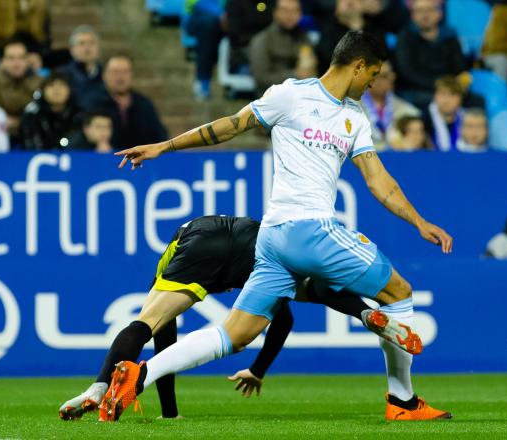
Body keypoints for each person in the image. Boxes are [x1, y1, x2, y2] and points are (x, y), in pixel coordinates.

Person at [107, 30, 453, 422]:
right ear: (358, 66)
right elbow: (231, 125)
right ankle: (403, 402)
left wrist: (417, 220)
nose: (373, 83)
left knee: (234, 335)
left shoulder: (354, 117)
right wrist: (165, 146)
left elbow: (378, 180)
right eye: (373, 74)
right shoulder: (290, 94)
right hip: (310, 229)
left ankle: (141, 374)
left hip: (271, 240)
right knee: (400, 291)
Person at [58, 215, 422, 421]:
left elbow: (162, 337)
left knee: (149, 322)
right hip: (257, 242)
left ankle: (98, 387)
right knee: (308, 286)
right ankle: (362, 311)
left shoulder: (176, 248)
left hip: (198, 237)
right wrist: (259, 369)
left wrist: (170, 413)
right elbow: (284, 322)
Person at [81, 54, 168, 148]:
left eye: (125, 72)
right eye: (115, 72)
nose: (120, 77)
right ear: (104, 75)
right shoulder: (92, 103)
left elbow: (160, 137)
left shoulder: (144, 104)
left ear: (132, 75)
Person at [394, 0, 465, 110]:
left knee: (474, 99)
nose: (425, 15)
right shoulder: (405, 38)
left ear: (439, 14)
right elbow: (407, 72)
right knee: (432, 101)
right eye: (419, 11)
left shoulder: (450, 37)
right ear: (412, 15)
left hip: (447, 87)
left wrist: (449, 86)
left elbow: (459, 67)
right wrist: (438, 85)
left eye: (429, 10)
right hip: (416, 90)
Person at [249, 0, 317, 95]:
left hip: (301, 96)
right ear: (275, 12)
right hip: (270, 97)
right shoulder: (262, 40)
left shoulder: (303, 38)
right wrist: (295, 75)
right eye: (285, 11)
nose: (290, 15)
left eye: (295, 11)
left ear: (300, 14)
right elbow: (261, 79)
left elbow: (311, 70)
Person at [360, 61, 421, 151]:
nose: (389, 79)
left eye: (387, 76)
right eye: (378, 76)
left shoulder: (407, 111)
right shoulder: (351, 108)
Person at [0, 39, 42, 147]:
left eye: (21, 58)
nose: (17, 63)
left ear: (28, 60)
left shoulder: (40, 81)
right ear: (2, 61)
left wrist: (19, 122)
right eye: (11, 58)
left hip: (31, 133)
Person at [20, 72, 81, 150]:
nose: (57, 89)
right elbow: (31, 148)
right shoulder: (32, 116)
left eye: (62, 85)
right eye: (51, 85)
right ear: (43, 91)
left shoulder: (79, 116)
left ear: (70, 90)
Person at [62, 25, 104, 106]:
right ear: (72, 50)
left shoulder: (107, 74)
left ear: (98, 48)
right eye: (82, 43)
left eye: (92, 43)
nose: (87, 48)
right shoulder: (63, 75)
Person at [423, 76, 464, 151]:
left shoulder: (467, 119)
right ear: (435, 96)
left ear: (460, 98)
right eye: (442, 94)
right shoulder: (423, 120)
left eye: (452, 95)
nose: (446, 100)